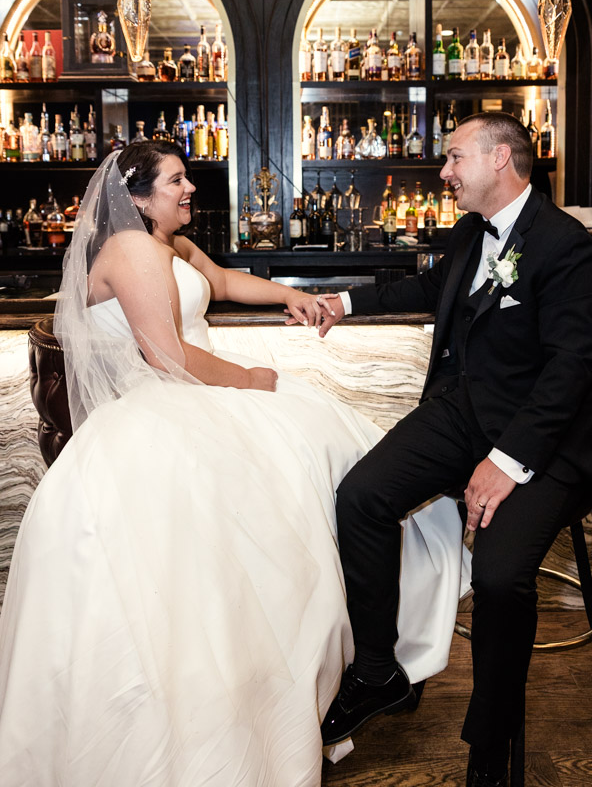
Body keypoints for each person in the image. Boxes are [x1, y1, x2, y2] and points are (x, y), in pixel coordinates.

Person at [0, 140, 467, 787]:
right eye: (175, 181)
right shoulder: (132, 250)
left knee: (339, 461)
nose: (189, 188)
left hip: (202, 396)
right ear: (136, 197)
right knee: (298, 491)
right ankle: (323, 671)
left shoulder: (166, 242)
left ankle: (370, 657)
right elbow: (169, 356)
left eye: (186, 177)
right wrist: (249, 379)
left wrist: (293, 296)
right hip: (169, 403)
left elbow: (221, 283)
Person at [318, 112, 592, 787]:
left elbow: (571, 365)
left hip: (547, 438)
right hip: (464, 413)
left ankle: (489, 751)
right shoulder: (468, 233)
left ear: (501, 161)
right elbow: (425, 290)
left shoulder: (564, 245)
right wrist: (340, 300)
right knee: (360, 498)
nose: (445, 171)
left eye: (455, 158)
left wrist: (506, 462)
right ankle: (376, 671)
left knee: (498, 578)